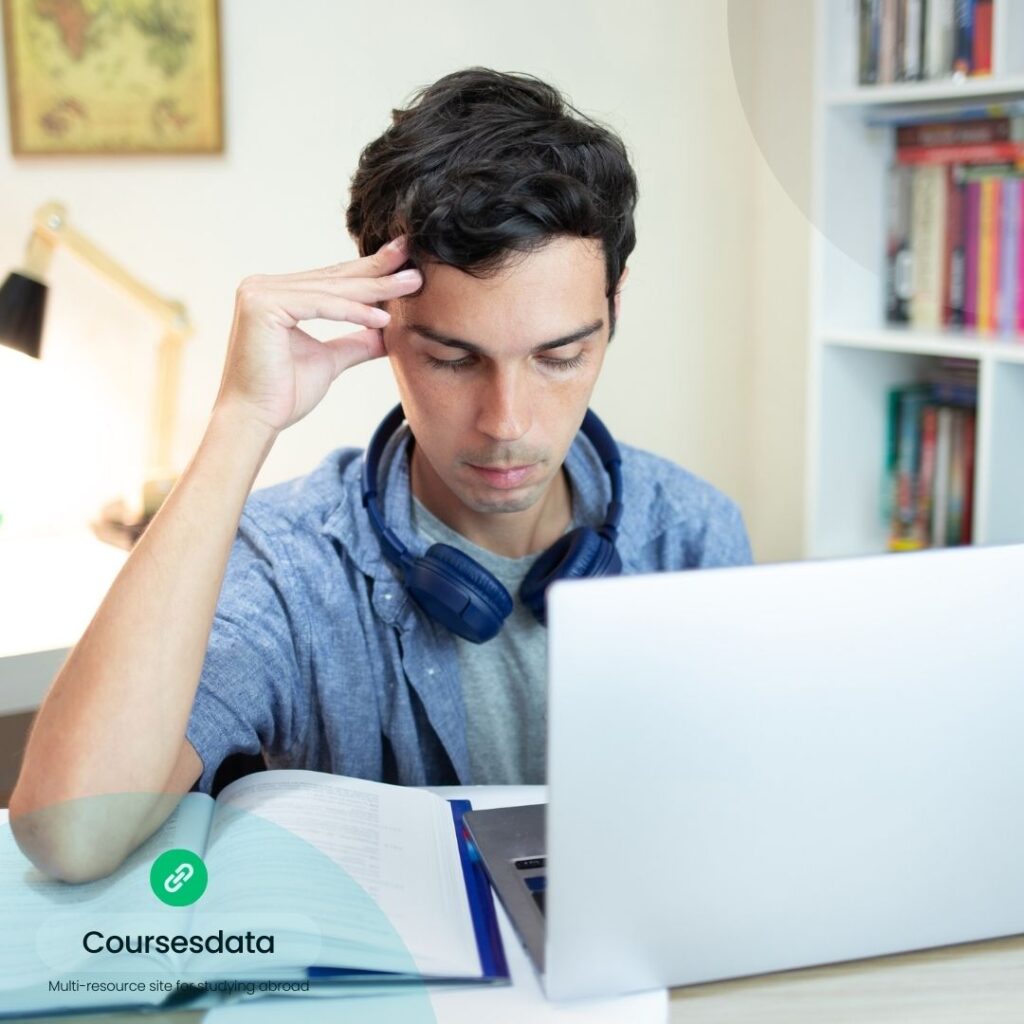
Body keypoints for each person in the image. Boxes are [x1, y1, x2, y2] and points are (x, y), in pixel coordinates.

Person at [10, 67, 752, 883]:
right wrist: (240, 421)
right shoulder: (289, 564)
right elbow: (68, 836)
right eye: (452, 357)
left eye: (560, 355)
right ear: (382, 324)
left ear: (614, 307)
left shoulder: (690, 530)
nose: (507, 422)